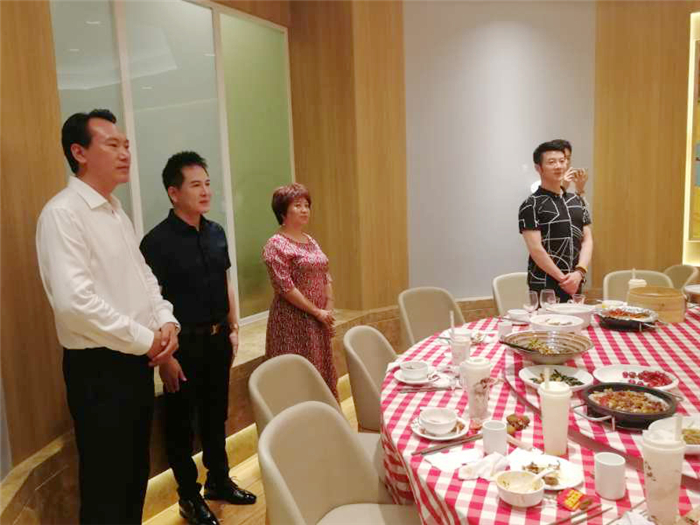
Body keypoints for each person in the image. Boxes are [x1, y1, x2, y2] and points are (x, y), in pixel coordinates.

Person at [36, 109, 180, 525]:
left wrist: (166, 321)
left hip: (135, 362)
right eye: (112, 144)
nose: (125, 153)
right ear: (79, 152)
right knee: (106, 488)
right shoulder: (63, 214)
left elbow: (144, 278)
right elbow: (75, 305)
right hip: (99, 370)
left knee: (133, 478)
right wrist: (147, 339)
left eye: (126, 145)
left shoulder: (116, 211)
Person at [140, 152, 256, 525]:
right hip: (181, 346)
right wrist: (165, 358)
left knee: (215, 414)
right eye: (195, 185)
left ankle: (218, 480)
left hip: (217, 340)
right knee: (181, 425)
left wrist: (234, 328)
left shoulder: (216, 232)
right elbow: (149, 303)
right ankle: (188, 497)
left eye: (207, 183)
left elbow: (225, 281)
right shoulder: (156, 242)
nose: (206, 191)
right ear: (174, 193)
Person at [262, 183, 337, 398]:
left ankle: (323, 414)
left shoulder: (310, 240)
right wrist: (317, 312)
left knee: (320, 371)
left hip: (319, 319)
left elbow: (324, 273)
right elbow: (285, 287)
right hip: (293, 321)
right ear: (282, 211)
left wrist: (328, 308)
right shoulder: (276, 244)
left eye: (307, 205)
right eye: (297, 205)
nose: (304, 210)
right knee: (297, 376)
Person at [518, 140, 594, 302]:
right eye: (551, 162)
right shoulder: (531, 204)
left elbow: (587, 240)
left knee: (576, 318)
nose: (559, 166)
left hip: (576, 281)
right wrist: (563, 280)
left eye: (562, 161)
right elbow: (536, 249)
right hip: (544, 284)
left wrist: (579, 273)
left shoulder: (576, 200)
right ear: (538, 168)